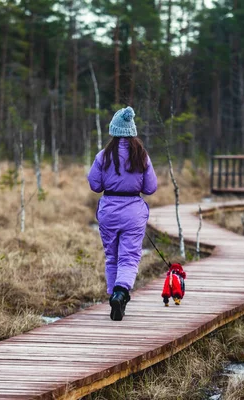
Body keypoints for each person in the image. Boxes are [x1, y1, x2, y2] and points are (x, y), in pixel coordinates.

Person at [87, 106, 158, 321]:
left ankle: (114, 298)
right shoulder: (142, 156)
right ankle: (121, 292)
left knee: (112, 256)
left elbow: (94, 185)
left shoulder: (103, 155)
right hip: (133, 212)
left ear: (113, 130)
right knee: (129, 257)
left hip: (108, 210)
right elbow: (150, 188)